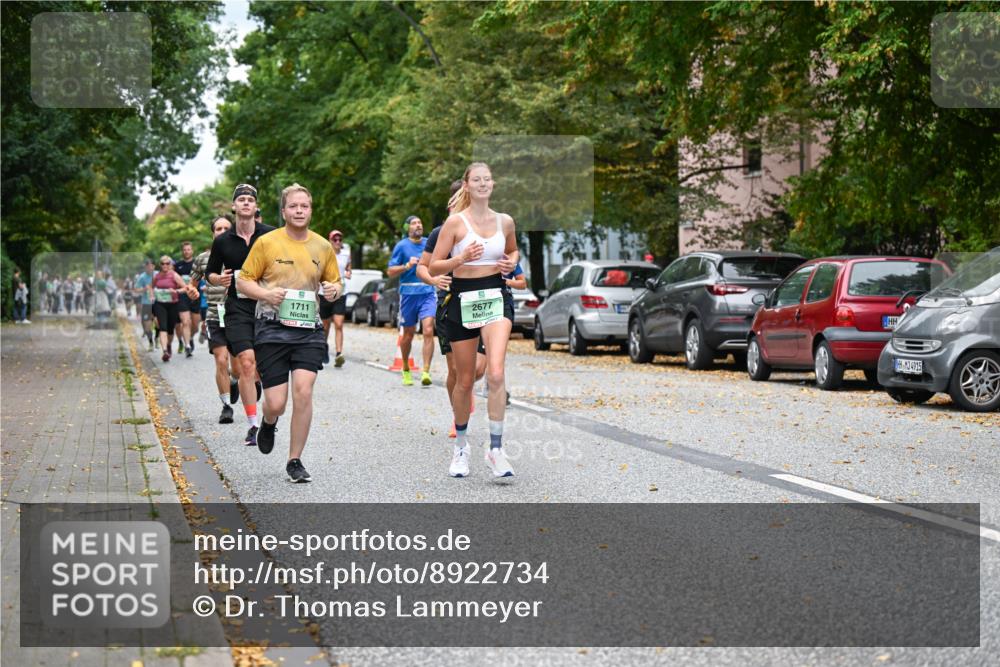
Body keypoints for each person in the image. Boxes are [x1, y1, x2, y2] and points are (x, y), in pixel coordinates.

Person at [236, 183, 341, 483]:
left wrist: (333, 290)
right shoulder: (267, 243)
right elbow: (243, 281)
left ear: (310, 210)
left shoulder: (322, 246)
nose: (299, 211)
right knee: (277, 403)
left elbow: (334, 284)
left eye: (304, 206)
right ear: (283, 211)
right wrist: (266, 295)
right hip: (272, 329)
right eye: (293, 206)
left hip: (308, 330)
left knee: (304, 391)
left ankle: (294, 460)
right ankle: (269, 422)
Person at [430, 162, 519, 479]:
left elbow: (513, 251)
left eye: (487, 179)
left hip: (495, 295)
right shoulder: (455, 223)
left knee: (495, 372)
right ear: (466, 185)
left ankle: (496, 449)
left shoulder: (505, 221)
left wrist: (511, 263)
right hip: (462, 298)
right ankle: (461, 447)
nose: (483, 184)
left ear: (493, 184)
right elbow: (435, 265)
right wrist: (460, 258)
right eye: (476, 179)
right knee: (465, 380)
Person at [416, 180, 487, 438]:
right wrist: (434, 279)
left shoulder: (486, 229)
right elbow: (422, 267)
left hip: (480, 304)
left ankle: (465, 389)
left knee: (476, 369)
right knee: (455, 370)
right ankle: (458, 417)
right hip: (449, 304)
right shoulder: (440, 233)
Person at [207, 183, 273, 447]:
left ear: (256, 207)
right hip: (237, 307)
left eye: (250, 199)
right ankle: (253, 425)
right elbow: (211, 272)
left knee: (264, 366)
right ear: (234, 206)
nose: (246, 202)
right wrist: (218, 279)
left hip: (267, 306)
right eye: (241, 199)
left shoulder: (271, 235)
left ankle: (269, 416)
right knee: (246, 362)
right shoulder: (223, 241)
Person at [189, 215, 242, 424]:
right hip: (213, 313)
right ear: (213, 234)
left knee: (237, 368)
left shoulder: (242, 254)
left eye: (225, 228)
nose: (221, 232)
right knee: (221, 359)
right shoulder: (203, 259)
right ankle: (226, 406)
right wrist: (192, 291)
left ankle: (234, 380)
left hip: (237, 314)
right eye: (218, 229)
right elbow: (192, 284)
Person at [388, 216, 437, 387]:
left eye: (420, 223)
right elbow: (390, 271)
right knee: (408, 334)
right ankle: (406, 368)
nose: (418, 225)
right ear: (407, 228)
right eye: (414, 223)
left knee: (428, 330)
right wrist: (407, 266)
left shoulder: (429, 243)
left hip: (427, 292)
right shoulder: (401, 246)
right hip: (408, 294)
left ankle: (426, 371)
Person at [320, 229, 351, 367]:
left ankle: (339, 354)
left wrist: (348, 273)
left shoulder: (346, 254)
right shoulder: (324, 254)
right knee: (325, 325)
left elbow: (348, 268)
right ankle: (324, 346)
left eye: (340, 239)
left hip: (341, 293)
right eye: (335, 239)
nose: (338, 242)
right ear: (330, 241)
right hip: (325, 292)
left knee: (339, 324)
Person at [151, 257, 187, 361]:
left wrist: (176, 291)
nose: (165, 265)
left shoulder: (174, 275)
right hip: (160, 304)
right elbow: (151, 287)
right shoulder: (157, 276)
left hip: (173, 304)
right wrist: (152, 295)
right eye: (163, 263)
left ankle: (169, 345)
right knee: (163, 327)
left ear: (170, 264)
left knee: (170, 329)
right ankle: (165, 351)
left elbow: (185, 288)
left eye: (167, 263)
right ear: (160, 265)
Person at [173, 241, 198, 357]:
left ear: (192, 251)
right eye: (184, 250)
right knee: (185, 321)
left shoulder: (197, 264)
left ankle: (190, 337)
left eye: (188, 249)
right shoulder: (177, 266)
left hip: (195, 295)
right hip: (182, 296)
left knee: (195, 326)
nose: (186, 251)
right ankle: (187, 346)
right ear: (182, 251)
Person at [134, 260, 156, 349]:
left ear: (154, 266)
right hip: (146, 303)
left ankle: (157, 337)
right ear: (145, 267)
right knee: (146, 326)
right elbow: (136, 289)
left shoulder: (158, 275)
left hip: (158, 303)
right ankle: (151, 342)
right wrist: (144, 289)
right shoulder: (142, 277)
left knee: (158, 323)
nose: (149, 268)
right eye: (147, 266)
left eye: (151, 266)